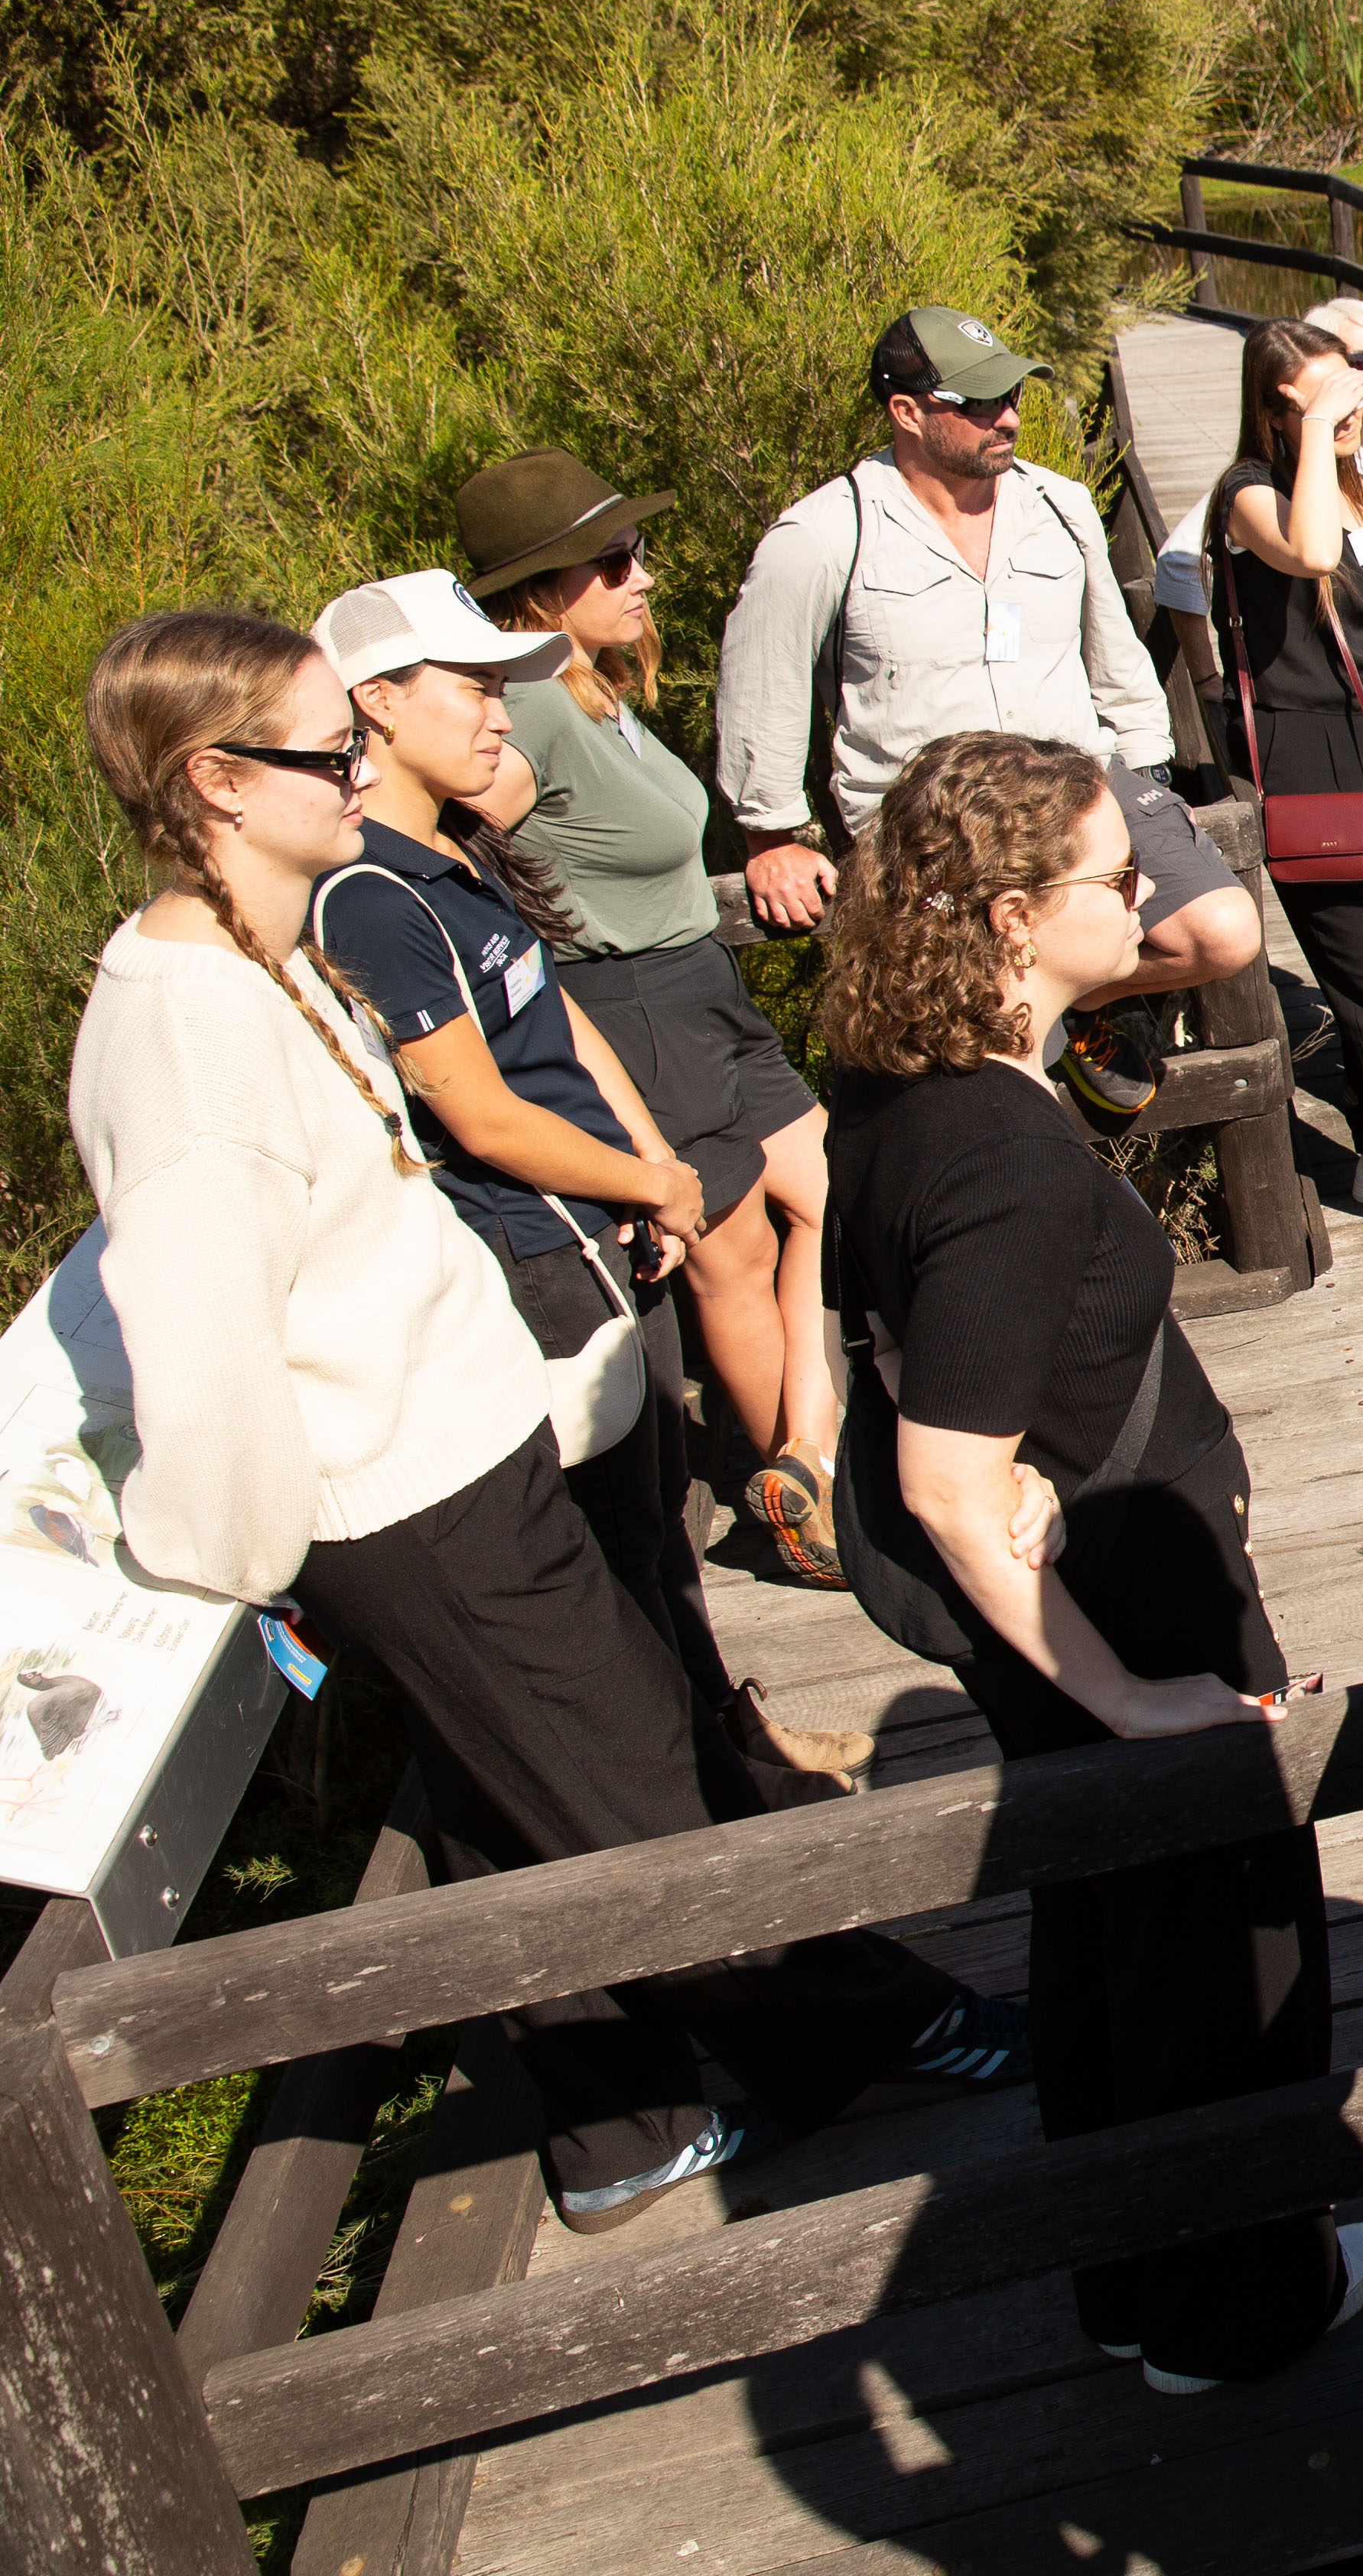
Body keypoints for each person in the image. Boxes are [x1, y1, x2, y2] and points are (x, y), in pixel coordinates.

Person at [68, 609, 1011, 2237]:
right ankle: (874, 2026)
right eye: (330, 750)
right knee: (640, 1780)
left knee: (526, 1798)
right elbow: (206, 1344)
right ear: (216, 782)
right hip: (402, 1500)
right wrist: (236, 1564)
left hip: (454, 1443)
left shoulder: (264, 946)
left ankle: (616, 2127)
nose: (360, 772)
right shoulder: (186, 1033)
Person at [817, 727, 1363, 2394]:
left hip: (1084, 1579)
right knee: (1220, 1951)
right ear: (1009, 917)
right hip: (1115, 1616)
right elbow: (944, 1478)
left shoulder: (899, 1087)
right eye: (1111, 879)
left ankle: (1138, 2276)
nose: (1148, 896)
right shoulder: (998, 1163)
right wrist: (1132, 1694)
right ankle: (1236, 2304)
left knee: (1109, 1943)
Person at [303, 572, 851, 1804]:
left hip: (603, 1228)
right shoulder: (369, 896)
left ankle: (727, 1741)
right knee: (612, 1548)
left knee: (660, 1519)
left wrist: (654, 1173)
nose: (503, 712)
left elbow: (558, 1028)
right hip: (535, 1258)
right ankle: (698, 1792)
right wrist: (640, 1181)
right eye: (473, 687)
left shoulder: (448, 854)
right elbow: (477, 1112)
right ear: (375, 706)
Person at [457, 446, 861, 1600]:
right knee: (732, 1253)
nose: (644, 576)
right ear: (543, 592)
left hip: (698, 989)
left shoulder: (590, 689)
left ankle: (808, 1452)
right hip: (626, 1002)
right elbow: (465, 824)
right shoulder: (528, 703)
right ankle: (822, 1506)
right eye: (615, 560)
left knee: (840, 1191)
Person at [711, 304, 1262, 1120]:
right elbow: (761, 681)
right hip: (937, 821)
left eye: (1010, 396)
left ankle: (1077, 1002)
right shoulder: (827, 532)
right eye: (975, 403)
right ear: (906, 412)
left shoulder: (1059, 505)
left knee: (1223, 931)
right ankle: (1044, 1072)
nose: (1005, 417)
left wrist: (1148, 769)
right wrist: (769, 837)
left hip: (1077, 787)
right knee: (969, 1033)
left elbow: (1112, 651)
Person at [1158, 298, 1363, 1087]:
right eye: (1356, 362)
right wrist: (1209, 676)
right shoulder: (1274, 479)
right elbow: (1185, 561)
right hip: (1349, 682)